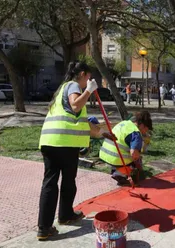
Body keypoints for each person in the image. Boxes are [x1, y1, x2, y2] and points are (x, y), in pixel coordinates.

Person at [37, 61, 116, 241]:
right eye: (88, 77)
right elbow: (75, 106)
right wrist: (88, 90)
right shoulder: (73, 85)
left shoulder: (61, 90)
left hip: (49, 141)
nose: (89, 80)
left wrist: (102, 132)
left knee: (50, 183)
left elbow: (79, 120)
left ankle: (44, 227)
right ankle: (65, 215)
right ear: (81, 74)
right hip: (65, 144)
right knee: (67, 182)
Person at [99, 110, 153, 186]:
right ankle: (120, 175)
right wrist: (138, 165)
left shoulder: (124, 123)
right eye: (146, 130)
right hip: (115, 157)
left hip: (104, 154)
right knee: (136, 160)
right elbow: (134, 153)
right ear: (142, 125)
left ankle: (116, 169)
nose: (144, 133)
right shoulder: (136, 133)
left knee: (129, 155)